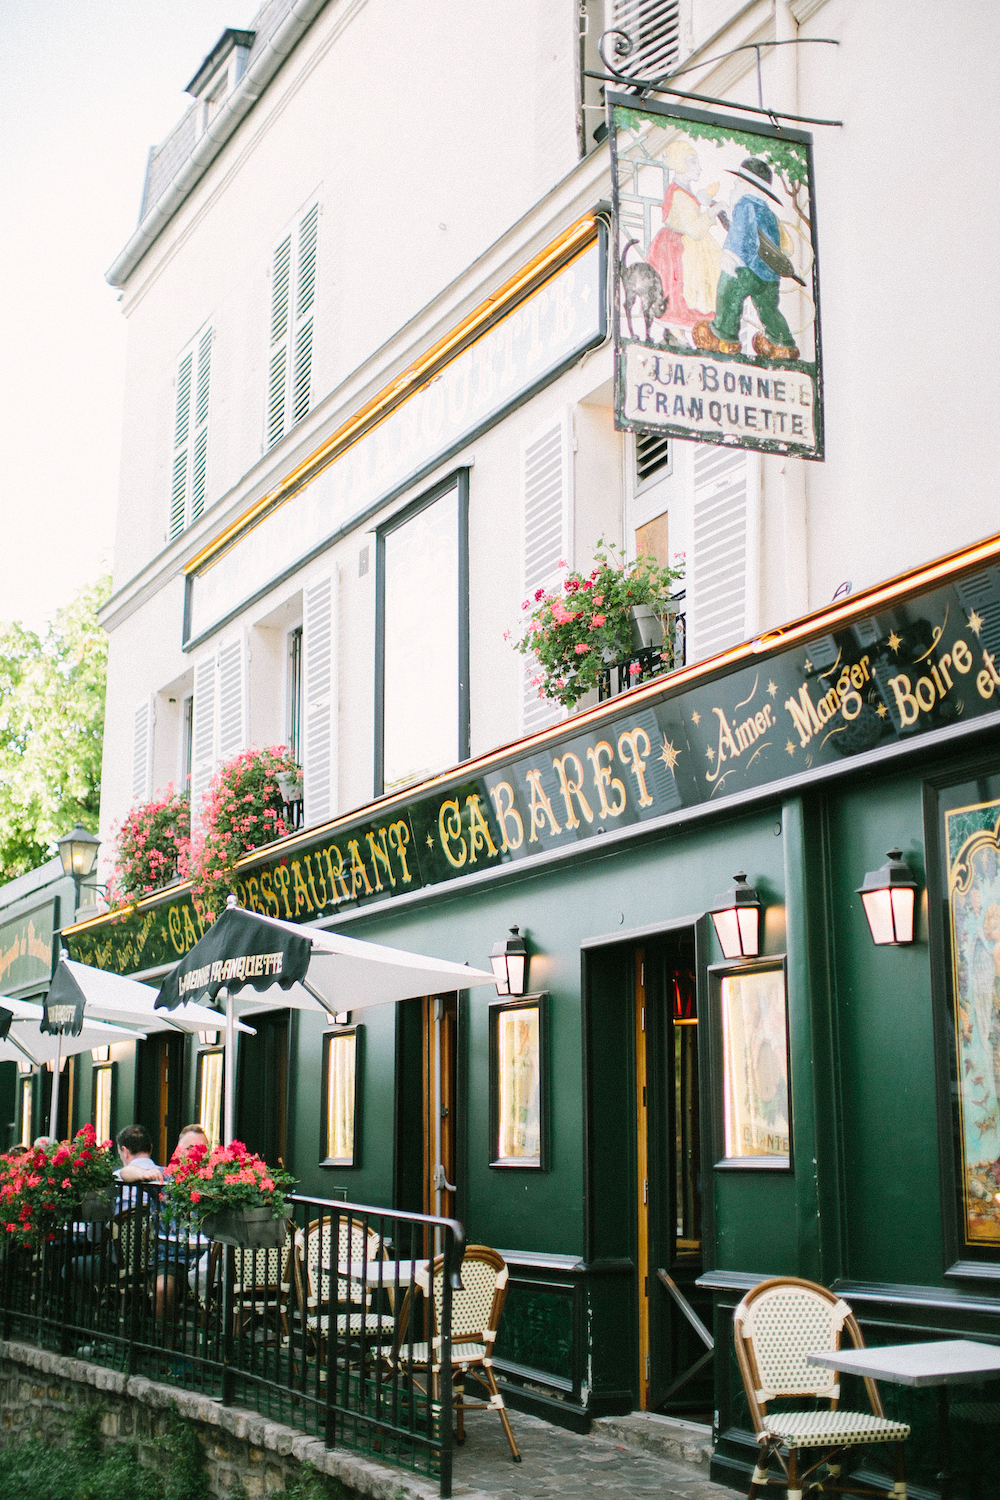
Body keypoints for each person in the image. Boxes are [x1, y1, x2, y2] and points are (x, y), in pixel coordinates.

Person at [693, 157, 800, 361]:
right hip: (769, 275)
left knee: (728, 293)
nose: (735, 184)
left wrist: (730, 259)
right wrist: (717, 207)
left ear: (750, 186)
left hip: (746, 270)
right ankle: (783, 343)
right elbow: (744, 231)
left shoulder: (744, 204)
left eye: (740, 181)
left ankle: (724, 336)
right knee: (768, 309)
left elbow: (742, 236)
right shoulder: (767, 213)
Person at [645, 138, 725, 337]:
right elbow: (695, 229)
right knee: (685, 291)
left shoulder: (682, 189)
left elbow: (689, 213)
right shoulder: (679, 196)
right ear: (681, 164)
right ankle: (684, 332)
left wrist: (702, 198)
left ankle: (684, 333)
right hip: (680, 248)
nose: (699, 168)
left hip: (679, 242)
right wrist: (714, 211)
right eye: (693, 162)